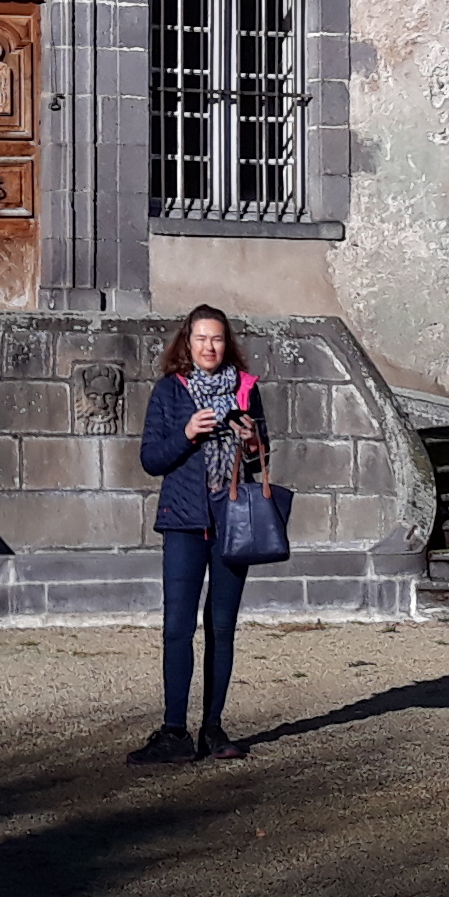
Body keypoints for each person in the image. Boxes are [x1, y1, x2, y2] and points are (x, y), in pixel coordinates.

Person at [133, 304, 269, 763]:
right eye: (201, 338)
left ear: (226, 343)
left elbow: (262, 459)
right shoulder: (170, 391)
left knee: (222, 627)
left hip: (233, 521)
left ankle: (213, 729)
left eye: (217, 338)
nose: (209, 347)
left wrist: (252, 443)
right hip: (183, 521)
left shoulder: (246, 389)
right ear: (187, 344)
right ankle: (175, 732)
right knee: (177, 628)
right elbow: (151, 459)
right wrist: (188, 433)